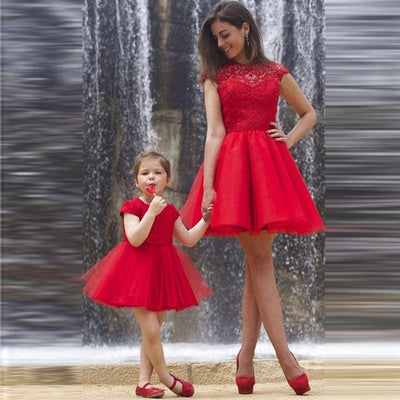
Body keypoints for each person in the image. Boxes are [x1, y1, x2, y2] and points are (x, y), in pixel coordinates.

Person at [180, 1, 325, 396]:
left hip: (268, 170)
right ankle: (285, 357)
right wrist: (209, 186)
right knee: (260, 259)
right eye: (216, 39)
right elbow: (214, 133)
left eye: (225, 35)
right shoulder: (214, 76)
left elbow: (308, 113)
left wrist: (286, 141)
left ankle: (246, 357)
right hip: (232, 170)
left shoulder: (275, 71)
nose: (221, 43)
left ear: (245, 28)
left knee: (257, 260)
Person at [83, 151, 213, 398]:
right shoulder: (132, 207)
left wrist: (205, 221)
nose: (151, 178)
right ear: (136, 182)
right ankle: (166, 378)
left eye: (157, 173)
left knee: (151, 331)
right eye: (145, 173)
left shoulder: (170, 210)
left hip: (162, 273)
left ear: (168, 180)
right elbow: (134, 238)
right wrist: (151, 212)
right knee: (151, 330)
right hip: (136, 272)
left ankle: (143, 383)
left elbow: (187, 238)